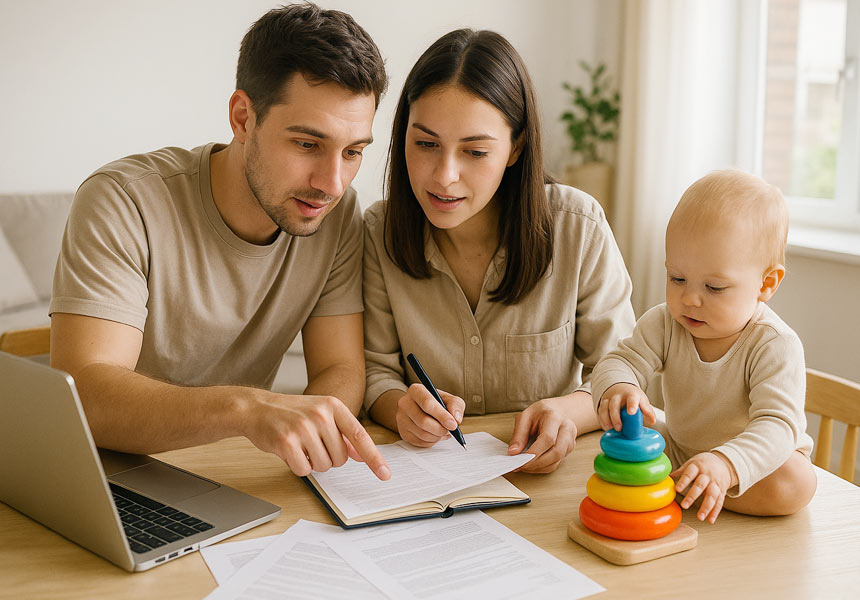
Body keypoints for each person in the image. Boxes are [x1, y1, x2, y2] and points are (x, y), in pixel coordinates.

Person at [49, 3, 391, 481]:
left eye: (353, 152)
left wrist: (316, 424)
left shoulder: (337, 215)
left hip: (235, 474)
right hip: (111, 474)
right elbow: (85, 393)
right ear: (243, 118)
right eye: (308, 145)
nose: (332, 183)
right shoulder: (124, 201)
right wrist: (248, 409)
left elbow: (341, 365)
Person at [363, 29, 636, 474]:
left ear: (516, 149)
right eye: (426, 144)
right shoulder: (378, 233)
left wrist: (568, 413)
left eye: (474, 151)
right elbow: (376, 375)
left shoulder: (577, 227)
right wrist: (401, 410)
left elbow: (623, 372)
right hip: (431, 484)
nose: (444, 176)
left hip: (555, 482)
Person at [592, 170, 817, 523]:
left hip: (755, 465)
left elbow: (777, 426)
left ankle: (700, 486)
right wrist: (619, 386)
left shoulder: (774, 345)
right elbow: (620, 360)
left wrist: (726, 465)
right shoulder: (665, 322)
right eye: (677, 278)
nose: (689, 299)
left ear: (766, 284)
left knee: (796, 482)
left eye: (714, 287)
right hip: (684, 450)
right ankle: (692, 482)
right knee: (626, 435)